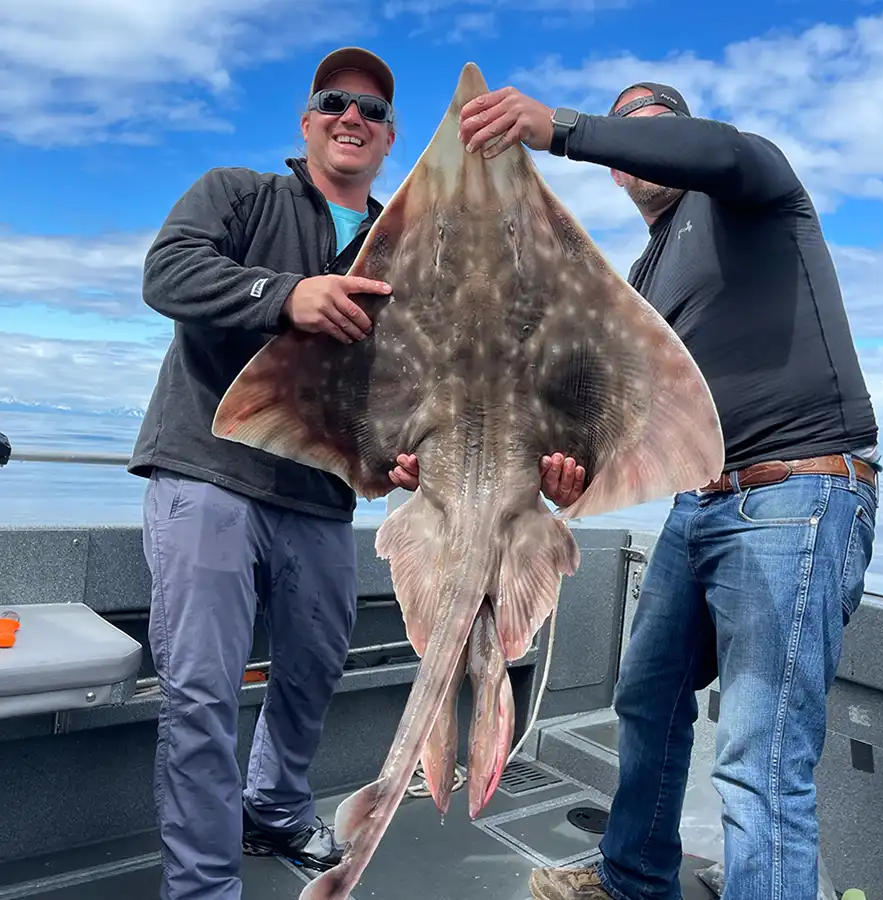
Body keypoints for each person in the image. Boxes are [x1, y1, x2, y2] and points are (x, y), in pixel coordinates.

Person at [128, 45, 578, 900]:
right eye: (335, 102)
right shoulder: (242, 193)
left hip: (322, 495)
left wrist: (403, 458)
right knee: (203, 692)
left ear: (389, 139)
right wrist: (285, 295)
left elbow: (414, 388)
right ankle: (203, 887)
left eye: (371, 112)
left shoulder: (399, 245)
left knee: (314, 669)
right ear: (307, 122)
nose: (352, 118)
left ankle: (274, 804)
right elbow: (169, 271)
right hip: (209, 472)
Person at [452, 81, 881, 900]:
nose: (638, 140)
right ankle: (633, 879)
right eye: (627, 130)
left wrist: (568, 128)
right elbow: (619, 424)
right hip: (701, 502)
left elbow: (714, 149)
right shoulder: (644, 282)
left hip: (796, 492)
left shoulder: (750, 188)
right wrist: (568, 473)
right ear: (620, 176)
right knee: (646, 702)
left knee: (760, 758)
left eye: (652, 125)